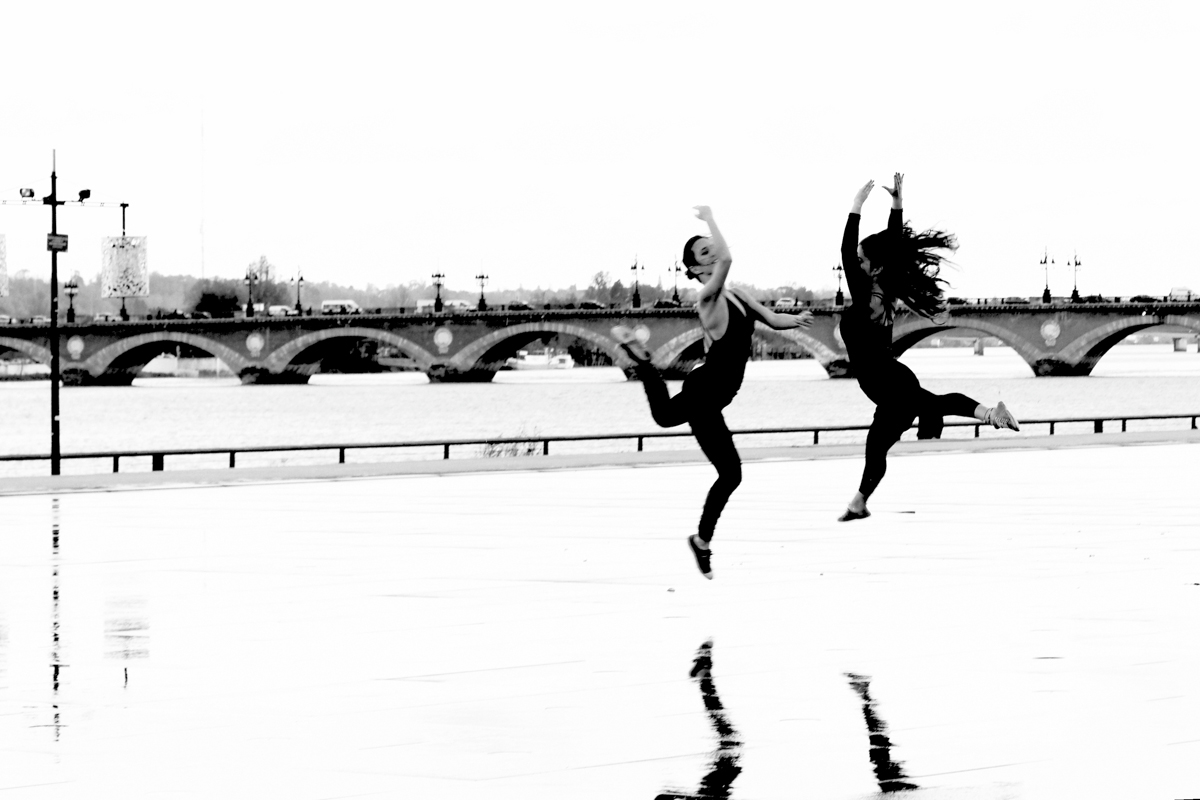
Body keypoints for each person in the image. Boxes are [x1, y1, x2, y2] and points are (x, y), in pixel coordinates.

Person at [612, 205, 813, 578]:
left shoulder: (739, 296)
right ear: (695, 270)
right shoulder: (707, 299)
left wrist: (795, 321)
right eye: (705, 252)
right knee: (724, 467)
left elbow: (772, 320)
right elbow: (729, 257)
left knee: (682, 431)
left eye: (711, 247)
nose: (714, 252)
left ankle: (642, 361)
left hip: (718, 390)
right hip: (707, 390)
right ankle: (702, 541)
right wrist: (709, 220)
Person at [839, 174, 1019, 522]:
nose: (856, 264)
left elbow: (848, 250)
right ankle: (859, 503)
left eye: (862, 261)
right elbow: (891, 244)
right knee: (879, 444)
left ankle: (992, 415)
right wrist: (896, 203)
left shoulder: (865, 296)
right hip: (888, 379)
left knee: (930, 406)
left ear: (873, 266)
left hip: (886, 381)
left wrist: (857, 206)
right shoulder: (885, 290)